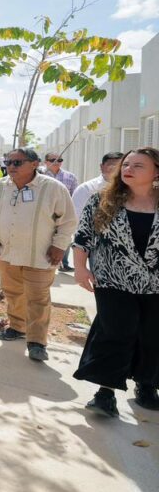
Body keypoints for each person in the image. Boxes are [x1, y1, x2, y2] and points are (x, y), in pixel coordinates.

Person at [72, 147, 159, 417]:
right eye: (126, 164)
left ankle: (146, 384)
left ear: (156, 172)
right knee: (115, 332)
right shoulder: (102, 200)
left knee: (152, 335)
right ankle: (105, 393)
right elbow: (83, 236)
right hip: (112, 279)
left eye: (138, 165)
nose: (128, 169)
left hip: (155, 283)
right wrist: (80, 268)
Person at [0, 148, 77, 362]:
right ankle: (17, 327)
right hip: (7, 253)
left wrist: (60, 245)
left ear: (34, 164)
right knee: (13, 293)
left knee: (38, 298)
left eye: (17, 162)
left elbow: (68, 221)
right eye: (8, 162)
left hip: (40, 255)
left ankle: (37, 342)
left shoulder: (53, 188)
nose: (11, 166)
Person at [43, 152, 79, 270]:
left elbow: (74, 196)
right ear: (45, 162)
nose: (56, 162)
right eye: (53, 160)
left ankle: (64, 263)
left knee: (64, 236)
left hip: (63, 213)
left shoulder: (70, 177)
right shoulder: (39, 175)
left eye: (59, 160)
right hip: (44, 213)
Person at [72, 151, 123, 219]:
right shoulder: (86, 189)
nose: (116, 170)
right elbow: (76, 217)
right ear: (101, 167)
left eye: (120, 167)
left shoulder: (130, 188)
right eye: (112, 166)